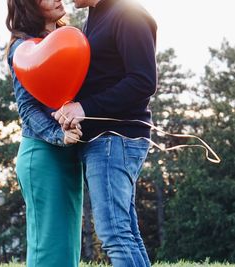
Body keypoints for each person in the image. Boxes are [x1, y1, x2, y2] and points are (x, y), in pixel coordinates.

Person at [53, 0, 158, 266]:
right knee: (126, 233)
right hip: (105, 141)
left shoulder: (127, 13)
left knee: (115, 234)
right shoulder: (95, 16)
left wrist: (84, 107)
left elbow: (143, 81)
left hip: (116, 138)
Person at [6, 0, 84, 266]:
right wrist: (58, 134)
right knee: (48, 250)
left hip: (69, 156)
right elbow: (27, 108)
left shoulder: (69, 38)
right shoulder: (22, 48)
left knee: (66, 250)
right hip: (42, 154)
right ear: (29, 6)